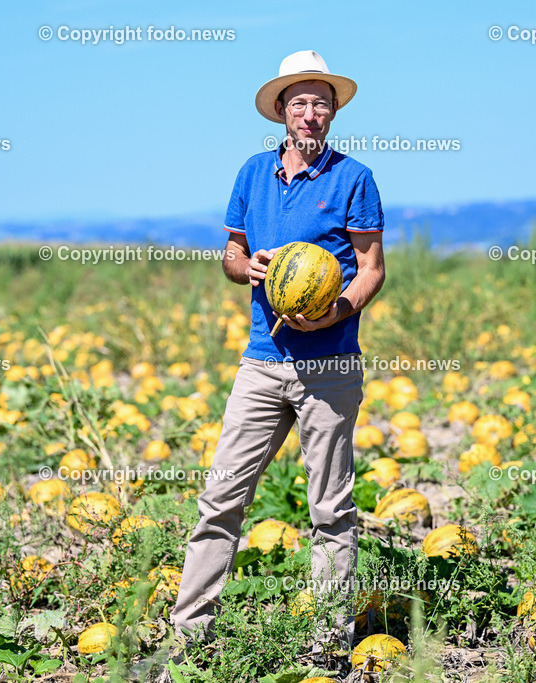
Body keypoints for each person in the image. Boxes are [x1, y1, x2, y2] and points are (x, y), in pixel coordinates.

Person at [170, 49, 386, 657]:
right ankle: (189, 642)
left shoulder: (355, 178)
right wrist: (247, 268)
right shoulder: (251, 174)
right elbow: (232, 255)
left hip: (331, 366)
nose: (310, 114)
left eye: (321, 103)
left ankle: (326, 647)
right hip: (263, 362)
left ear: (334, 112)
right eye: (300, 104)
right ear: (282, 114)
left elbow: (371, 269)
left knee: (331, 509)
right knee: (221, 499)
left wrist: (336, 310)